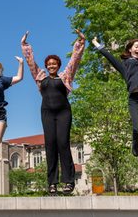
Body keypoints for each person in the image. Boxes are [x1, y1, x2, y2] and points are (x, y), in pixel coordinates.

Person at [21, 29, 85, 195]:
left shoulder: (65, 77)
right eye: (49, 63)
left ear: (58, 65)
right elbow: (31, 63)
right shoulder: (40, 77)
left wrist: (80, 42)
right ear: (46, 66)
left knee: (63, 144)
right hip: (47, 113)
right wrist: (25, 45)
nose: (51, 65)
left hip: (64, 112)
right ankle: (52, 183)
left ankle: (69, 182)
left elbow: (74, 60)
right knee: (50, 145)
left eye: (54, 63)